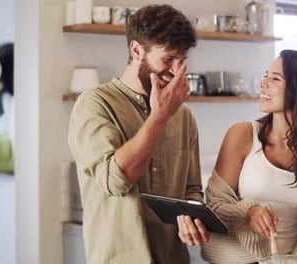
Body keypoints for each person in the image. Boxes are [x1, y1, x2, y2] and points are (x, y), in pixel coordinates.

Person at [179, 50, 297, 263]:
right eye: (266, 75)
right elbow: (216, 203)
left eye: (274, 79)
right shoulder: (243, 135)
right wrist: (248, 212)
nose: (262, 83)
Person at [68, 4, 208, 264]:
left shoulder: (184, 115)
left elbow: (192, 189)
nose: (178, 71)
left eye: (182, 61)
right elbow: (115, 181)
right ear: (136, 50)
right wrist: (160, 116)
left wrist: (191, 215)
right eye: (168, 59)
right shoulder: (95, 103)